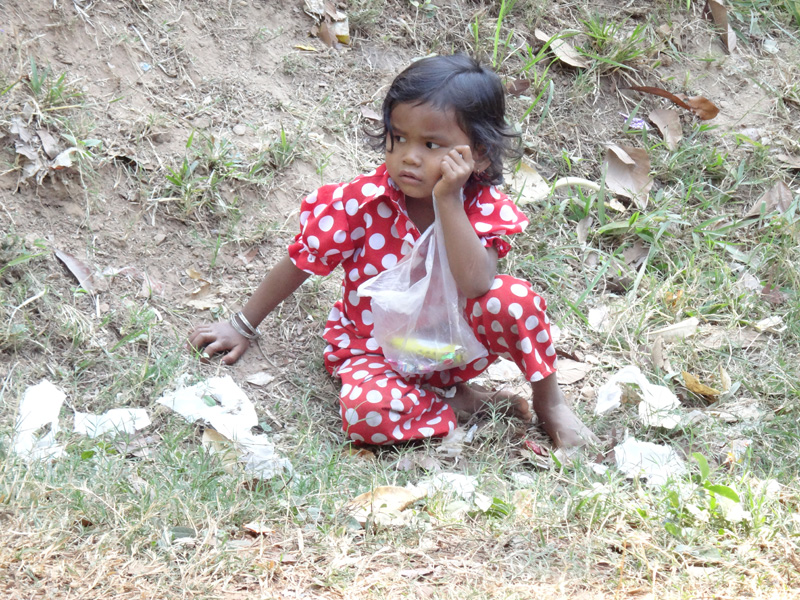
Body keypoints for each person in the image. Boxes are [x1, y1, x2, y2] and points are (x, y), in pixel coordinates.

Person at [188, 54, 597, 448]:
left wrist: (448, 201)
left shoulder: (481, 206)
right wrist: (241, 324)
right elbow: (301, 261)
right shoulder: (361, 202)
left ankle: (550, 402)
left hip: (452, 347)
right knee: (367, 413)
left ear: (480, 153)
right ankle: (459, 403)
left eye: (432, 145)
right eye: (398, 138)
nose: (409, 157)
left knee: (517, 300)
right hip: (374, 351)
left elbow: (476, 285)